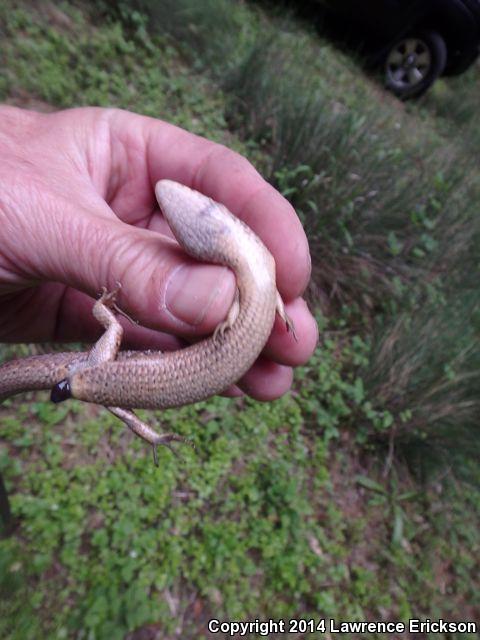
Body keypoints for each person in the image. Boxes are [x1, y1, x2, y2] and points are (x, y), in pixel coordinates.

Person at [0, 105, 317, 400]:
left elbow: (253, 301)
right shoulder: (261, 264)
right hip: (190, 359)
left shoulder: (256, 266)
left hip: (170, 365)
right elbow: (262, 296)